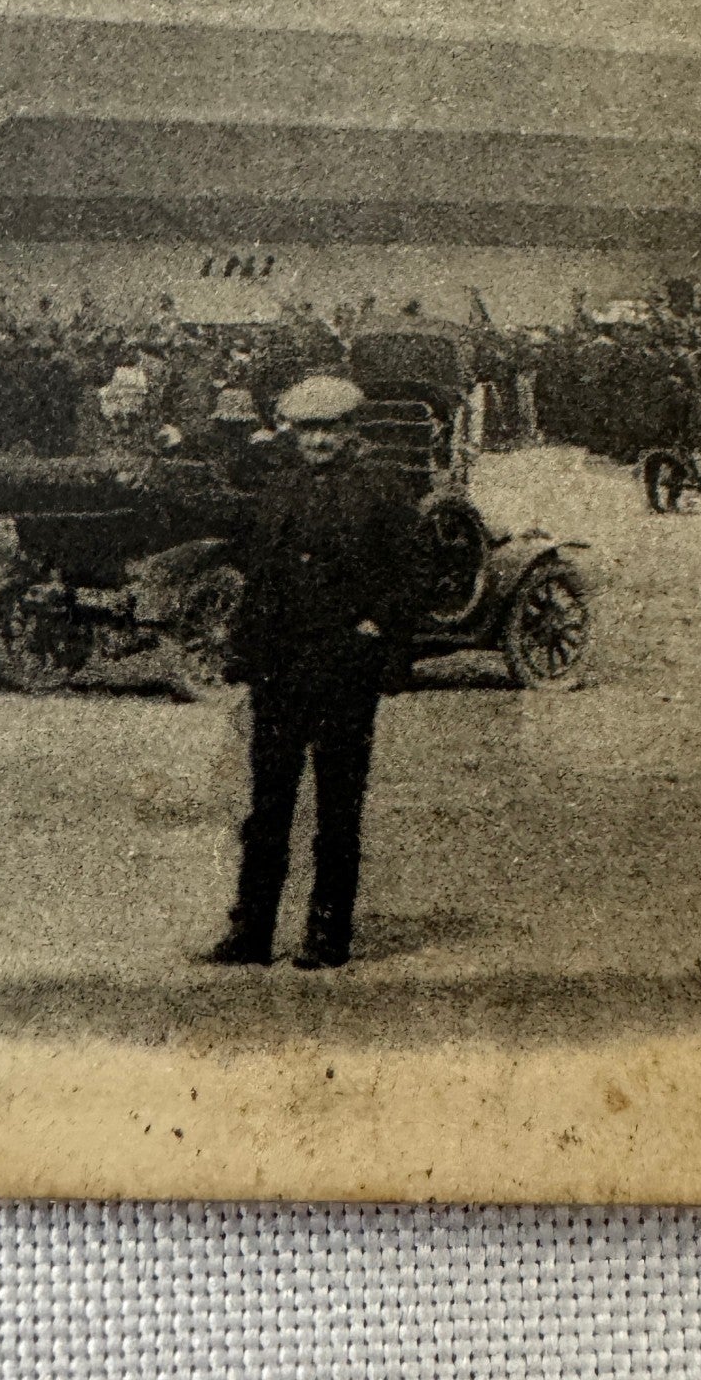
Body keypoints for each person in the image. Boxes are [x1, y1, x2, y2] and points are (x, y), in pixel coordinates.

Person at [204, 375, 429, 971]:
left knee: (337, 807)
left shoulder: (384, 490)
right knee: (267, 804)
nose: (318, 442)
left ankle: (328, 934)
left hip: (342, 667)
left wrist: (377, 633)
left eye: (330, 429)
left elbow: (410, 574)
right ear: (292, 433)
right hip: (280, 666)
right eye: (307, 430)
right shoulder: (279, 489)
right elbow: (261, 577)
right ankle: (251, 932)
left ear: (352, 430)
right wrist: (246, 652)